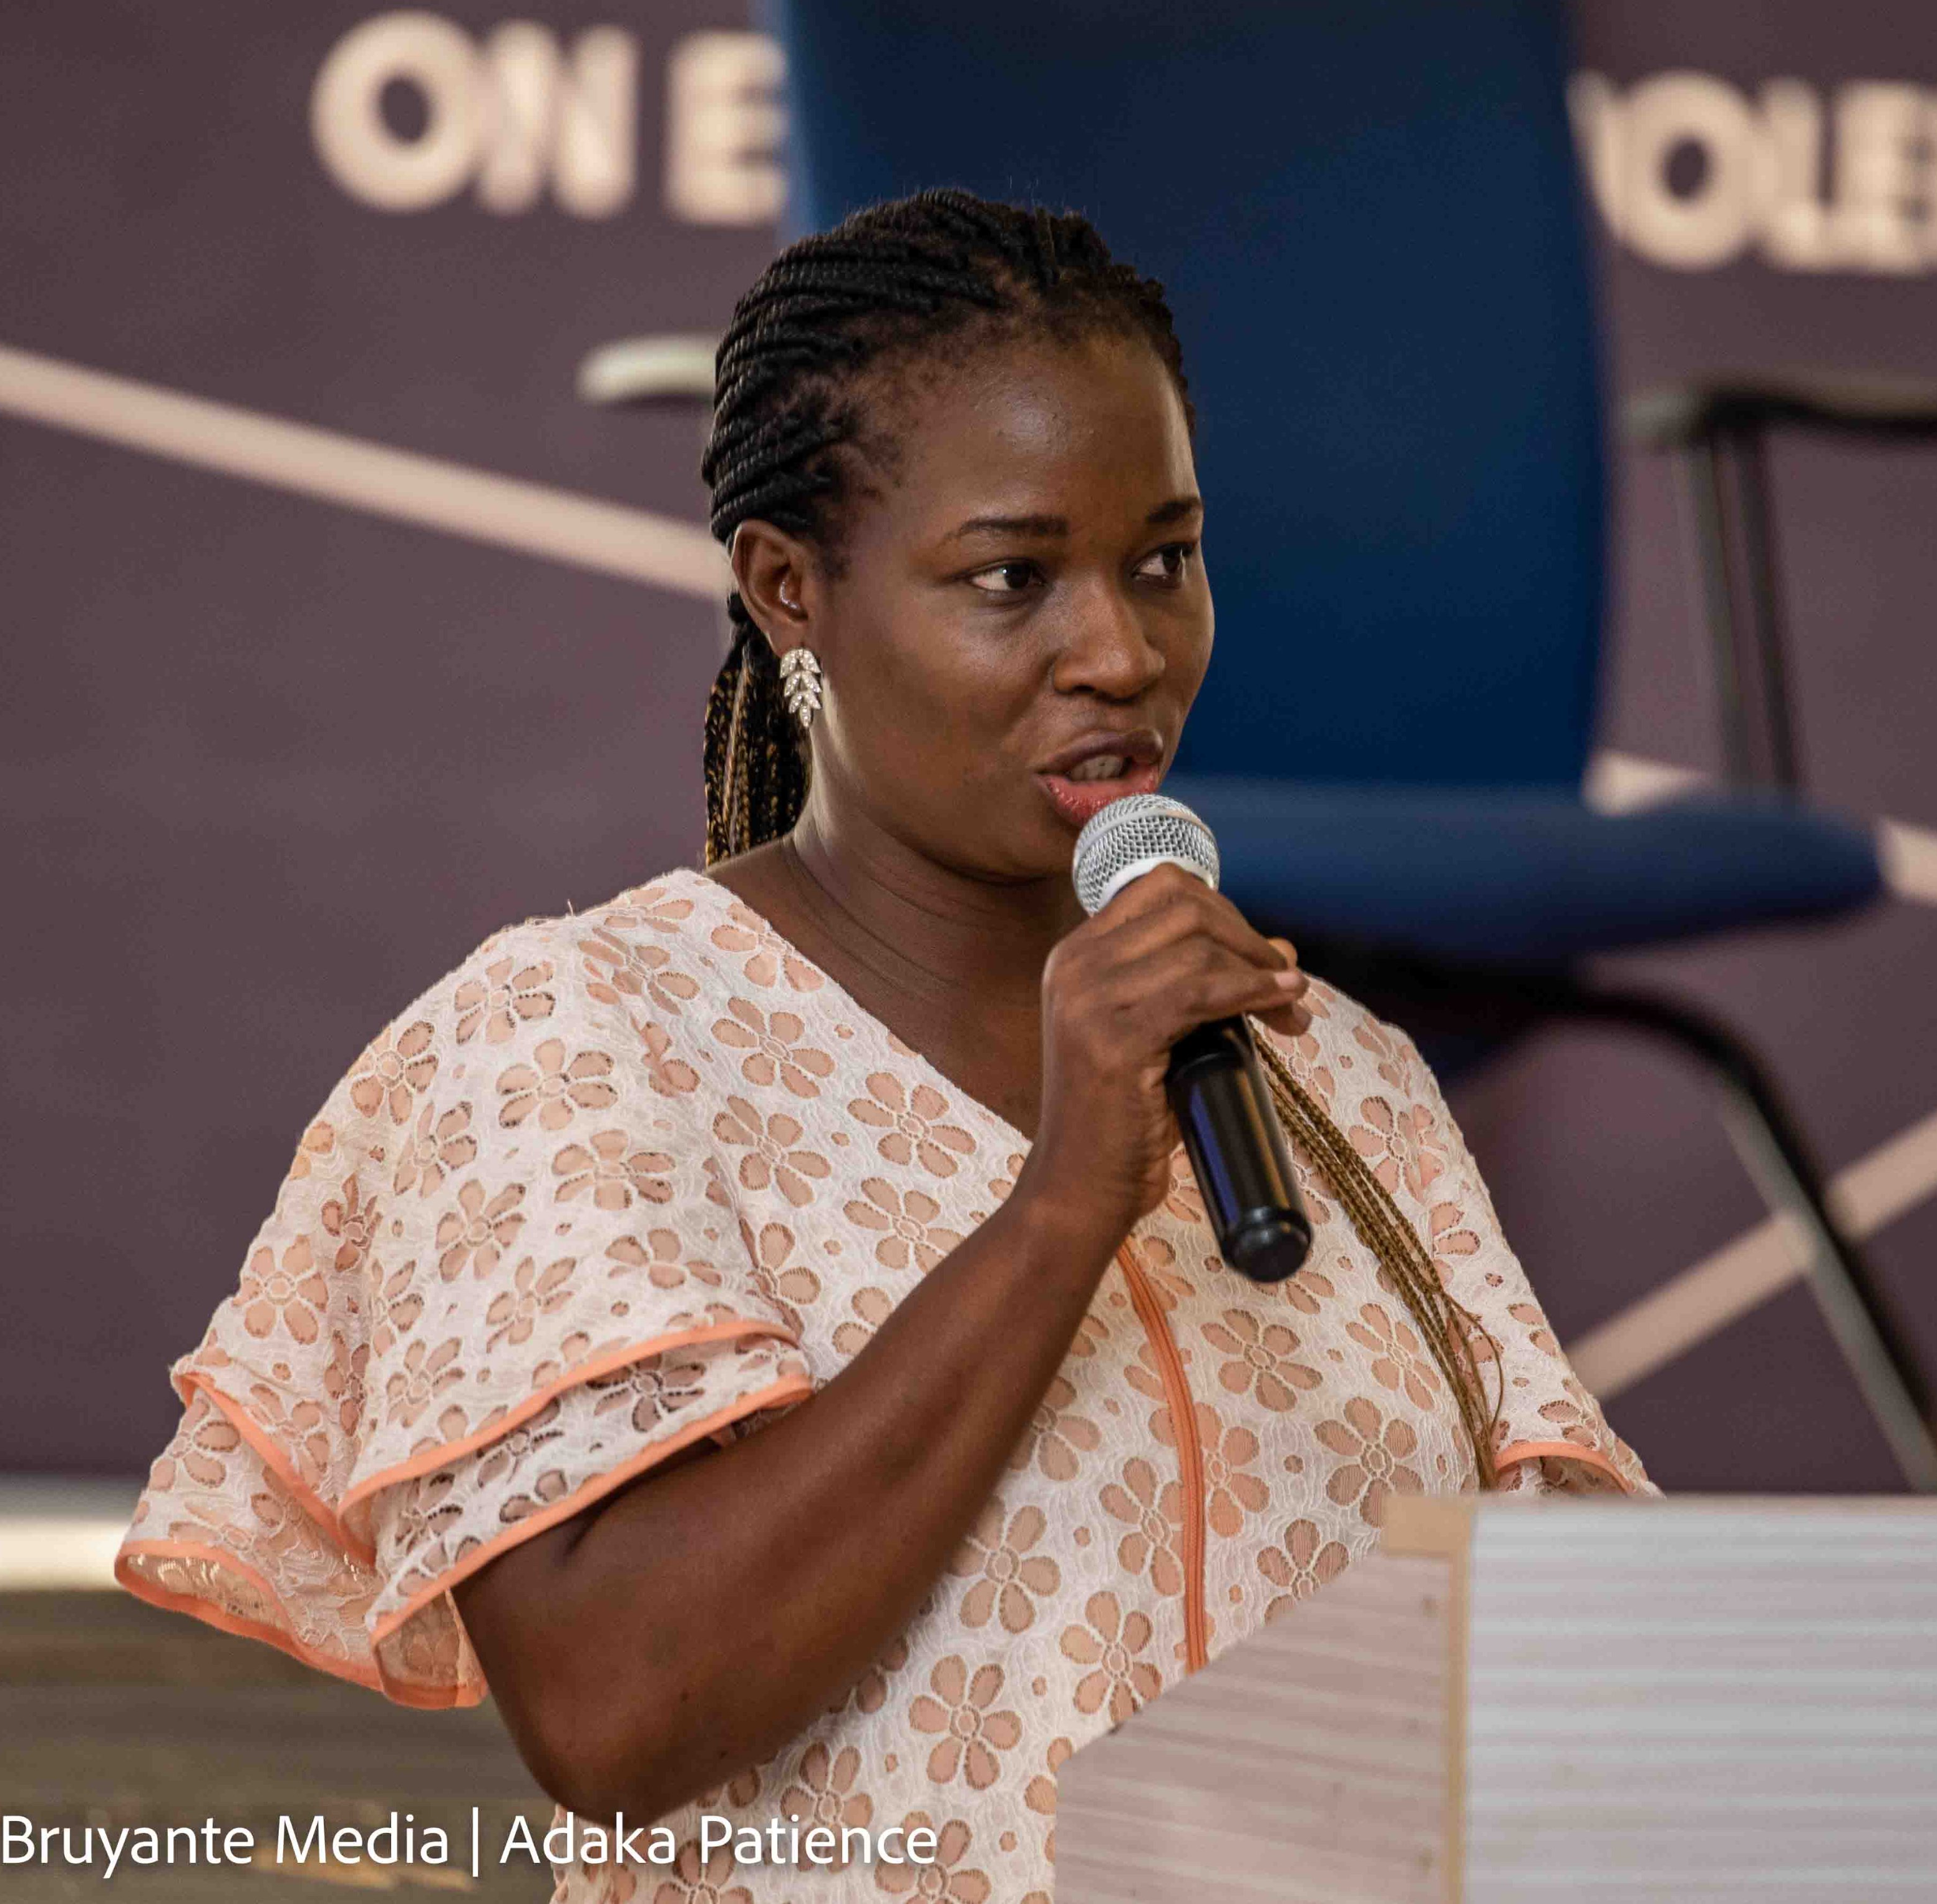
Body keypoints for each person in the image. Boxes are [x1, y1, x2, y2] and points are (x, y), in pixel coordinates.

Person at [118, 189, 1648, 1903]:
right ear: (791, 591)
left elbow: (1571, 1655)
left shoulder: (1332, 1069)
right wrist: (1062, 1207)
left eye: (1164, 559)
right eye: (1013, 579)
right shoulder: (576, 1040)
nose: (1123, 652)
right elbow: (614, 1709)